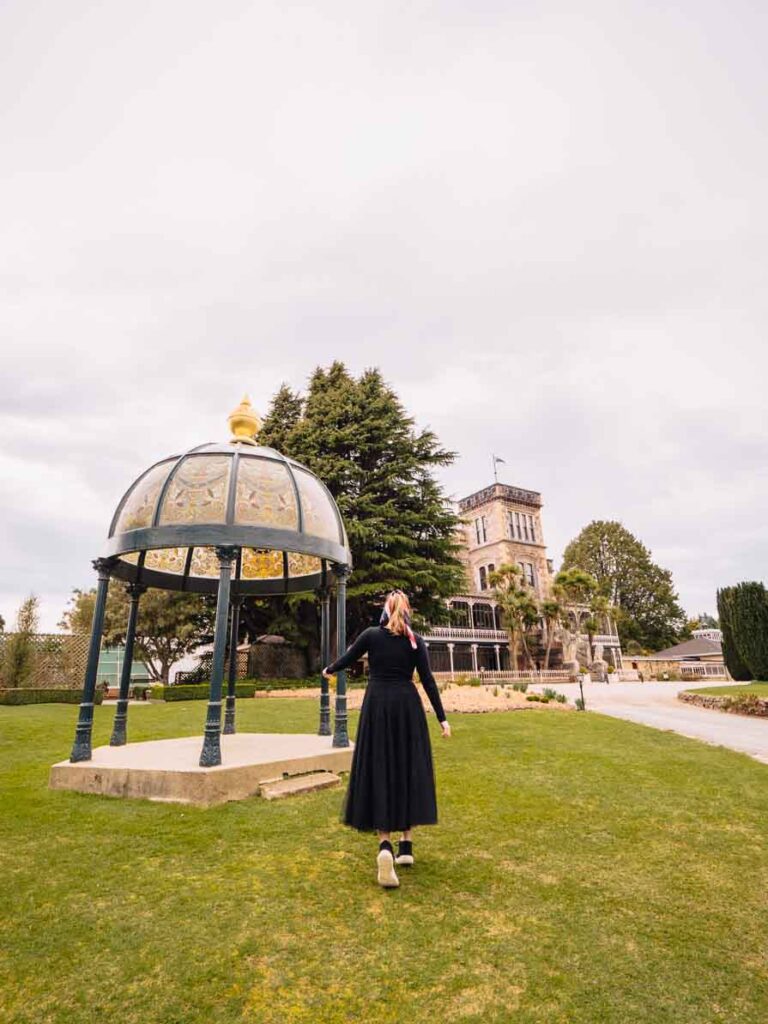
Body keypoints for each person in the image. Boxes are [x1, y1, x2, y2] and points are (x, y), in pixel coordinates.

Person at [323, 590, 451, 889]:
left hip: (378, 704)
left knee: (380, 766)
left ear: (385, 610)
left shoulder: (371, 635)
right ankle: (406, 846)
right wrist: (442, 718)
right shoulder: (415, 640)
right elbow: (428, 680)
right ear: (407, 612)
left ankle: (385, 846)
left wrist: (330, 669)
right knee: (408, 768)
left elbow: (348, 657)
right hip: (407, 706)